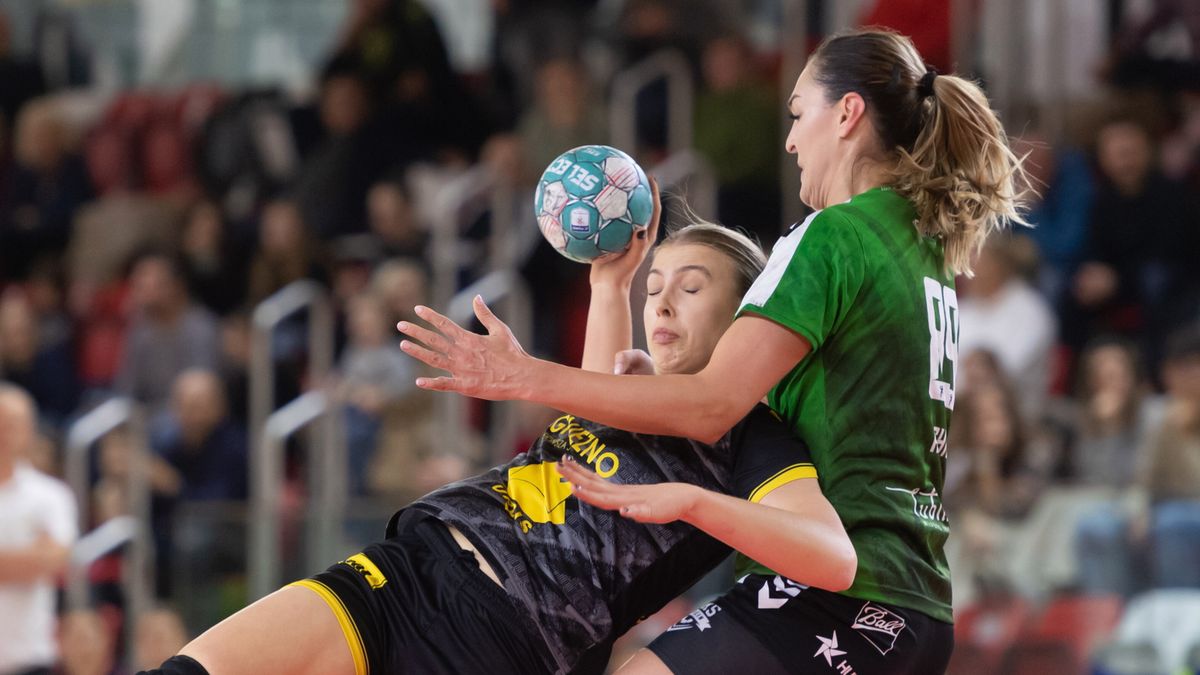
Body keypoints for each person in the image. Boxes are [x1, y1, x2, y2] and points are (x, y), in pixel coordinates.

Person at [399, 27, 1028, 673]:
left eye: (796, 113)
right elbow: (808, 398)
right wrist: (653, 374)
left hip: (840, 593)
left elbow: (711, 406)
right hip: (912, 597)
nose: (788, 140)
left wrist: (524, 376)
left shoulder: (835, 233)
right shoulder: (923, 249)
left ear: (846, 114)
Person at [142, 213, 854, 675]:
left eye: (690, 289)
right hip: (411, 565)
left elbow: (829, 554)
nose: (661, 302)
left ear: (745, 316)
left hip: (503, 640)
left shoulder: (750, 436)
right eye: (657, 286)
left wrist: (694, 501)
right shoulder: (628, 384)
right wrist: (612, 286)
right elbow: (598, 391)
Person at [0, 384, 78, 675]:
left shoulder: (51, 496)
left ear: (29, 430)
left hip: (28, 658)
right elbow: (39, 559)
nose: (4, 433)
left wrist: (39, 559)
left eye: (12, 424)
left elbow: (53, 559)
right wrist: (27, 558)